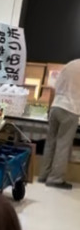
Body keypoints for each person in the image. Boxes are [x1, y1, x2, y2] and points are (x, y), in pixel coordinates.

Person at [39, 59, 80, 189]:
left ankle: (43, 175)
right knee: (63, 145)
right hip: (70, 109)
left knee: (50, 142)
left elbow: (53, 87)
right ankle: (55, 179)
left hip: (56, 106)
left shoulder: (70, 64)